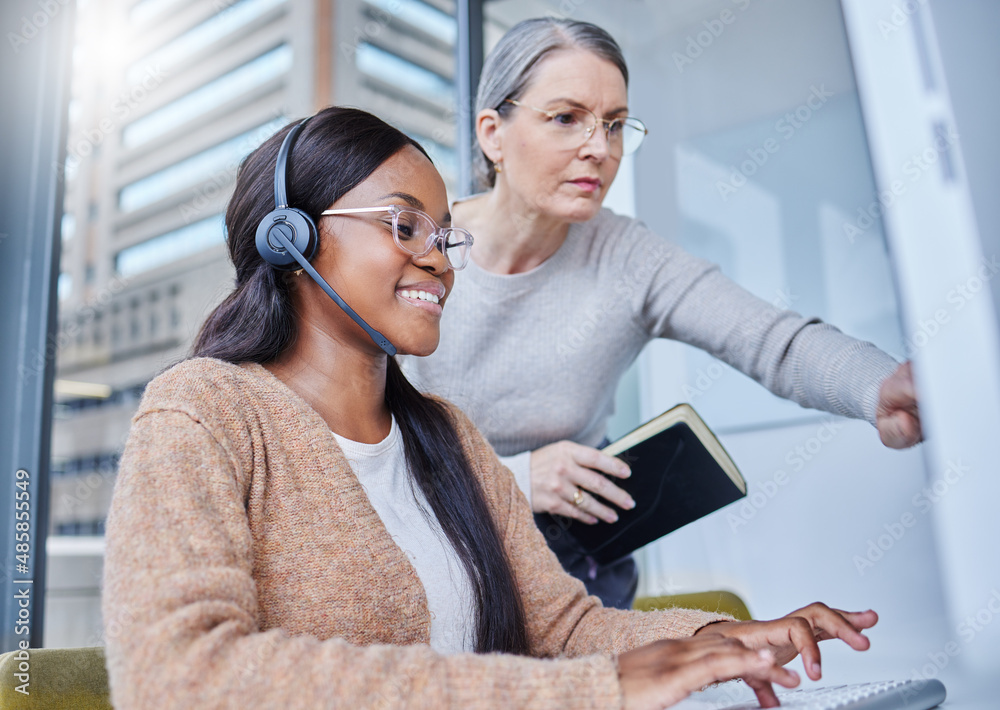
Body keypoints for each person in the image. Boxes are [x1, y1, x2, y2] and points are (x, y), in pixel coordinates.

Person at [102, 106, 879, 710]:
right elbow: (177, 677)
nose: (439, 258)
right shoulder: (204, 411)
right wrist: (591, 693)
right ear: (290, 239)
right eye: (404, 226)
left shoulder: (448, 437)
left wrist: (717, 640)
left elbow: (564, 631)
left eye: (444, 234)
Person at [404, 18, 923, 610]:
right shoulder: (415, 249)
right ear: (493, 133)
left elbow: (770, 340)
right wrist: (518, 479)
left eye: (616, 125)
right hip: (429, 542)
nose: (600, 149)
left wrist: (877, 386)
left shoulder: (628, 256)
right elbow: (358, 442)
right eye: (566, 118)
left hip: (569, 568)